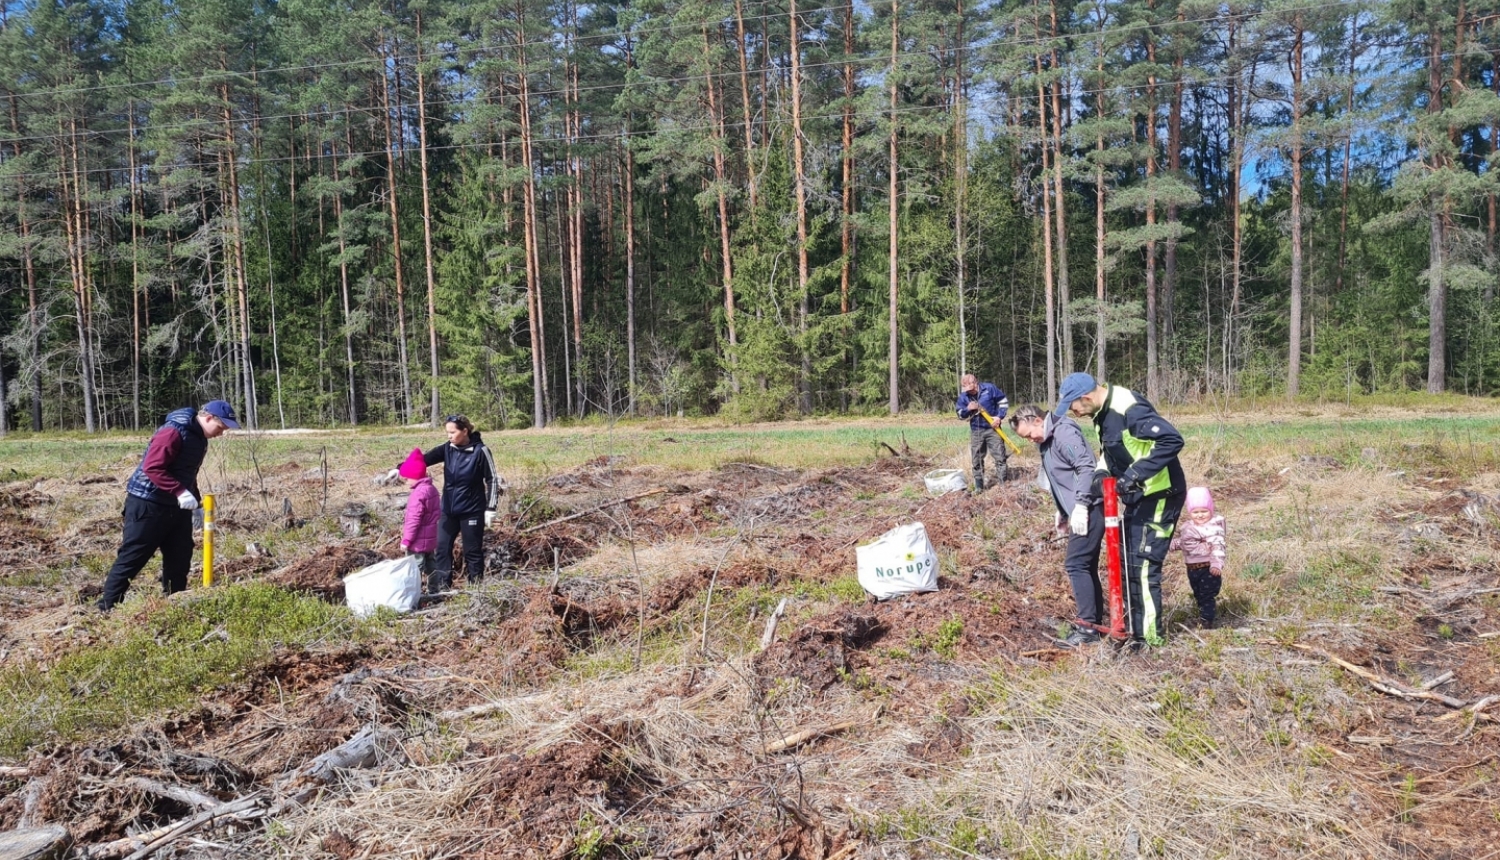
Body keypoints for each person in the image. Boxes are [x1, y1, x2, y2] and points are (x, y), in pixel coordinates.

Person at [1055, 372, 1185, 648]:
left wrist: (1134, 475)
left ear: (1085, 397)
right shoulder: (1101, 414)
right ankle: (1132, 630)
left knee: (1143, 566)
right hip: (1138, 498)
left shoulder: (1127, 408)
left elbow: (1171, 440)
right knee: (1128, 564)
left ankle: (1149, 641)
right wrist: (1101, 477)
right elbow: (1110, 452)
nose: (1074, 413)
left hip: (1160, 494)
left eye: (1073, 406)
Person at [97, 400, 240, 611]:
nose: (221, 433)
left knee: (180, 556)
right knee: (133, 556)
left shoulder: (199, 439)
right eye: (220, 428)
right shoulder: (173, 432)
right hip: (147, 504)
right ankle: (106, 608)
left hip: (176, 507)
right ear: (208, 418)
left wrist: (196, 502)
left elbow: (187, 473)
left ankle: (175, 605)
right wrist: (180, 492)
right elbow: (152, 468)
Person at [1009, 404, 1105, 647]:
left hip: (1090, 507)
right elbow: (1059, 478)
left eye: (1029, 434)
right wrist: (1062, 511)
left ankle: (1087, 629)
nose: (1031, 440)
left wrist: (1082, 505)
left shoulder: (1063, 433)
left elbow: (1086, 467)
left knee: (1076, 564)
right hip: (1078, 509)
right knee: (1086, 565)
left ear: (1037, 420)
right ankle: (1092, 625)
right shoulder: (1047, 440)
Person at [423, 415, 501, 591]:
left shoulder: (481, 451)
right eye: (447, 433)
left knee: (472, 551)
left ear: (464, 431)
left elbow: (492, 479)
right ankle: (442, 588)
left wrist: (491, 507)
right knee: (442, 548)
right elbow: (424, 459)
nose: (449, 436)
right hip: (448, 510)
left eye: (453, 432)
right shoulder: (447, 449)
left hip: (472, 511)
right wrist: (400, 468)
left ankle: (476, 590)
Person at [1172, 486, 1226, 628]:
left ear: (1210, 510)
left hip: (1208, 568)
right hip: (1192, 569)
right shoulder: (1188, 527)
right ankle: (1203, 615)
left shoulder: (1213, 528)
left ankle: (1207, 621)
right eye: (1196, 512)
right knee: (1198, 594)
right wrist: (1170, 545)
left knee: (1207, 595)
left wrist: (1216, 564)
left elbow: (1218, 548)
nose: (1200, 515)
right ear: (1190, 512)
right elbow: (1184, 543)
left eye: (1204, 511)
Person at [955, 373, 1009, 490]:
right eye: (966, 389)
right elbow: (959, 414)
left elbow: (1003, 401)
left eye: (970, 388)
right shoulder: (964, 396)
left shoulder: (989, 389)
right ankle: (979, 487)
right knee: (976, 460)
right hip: (976, 431)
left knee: (1000, 457)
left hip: (993, 429)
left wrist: (999, 417)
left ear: (976, 383)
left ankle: (1003, 485)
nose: (968, 392)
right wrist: (967, 409)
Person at [397, 448, 440, 588]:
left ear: (415, 476)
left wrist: (406, 540)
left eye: (407, 478)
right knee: (431, 565)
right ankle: (435, 591)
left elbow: (413, 521)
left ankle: (413, 595)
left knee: (415, 568)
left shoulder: (417, 494)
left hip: (417, 541)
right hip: (431, 539)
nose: (407, 481)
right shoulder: (432, 489)